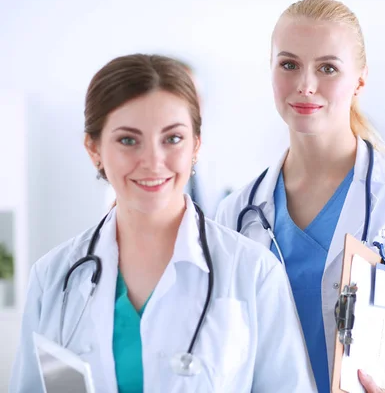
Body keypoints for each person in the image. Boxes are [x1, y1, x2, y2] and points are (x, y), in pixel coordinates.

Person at [215, 0, 385, 393]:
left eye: (328, 68)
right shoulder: (236, 213)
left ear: (359, 79)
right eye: (289, 64)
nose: (306, 84)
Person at [10, 54, 316, 393]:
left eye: (172, 139)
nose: (153, 162)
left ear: (196, 145)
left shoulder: (254, 273)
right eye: (128, 140)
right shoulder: (53, 279)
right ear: (94, 148)